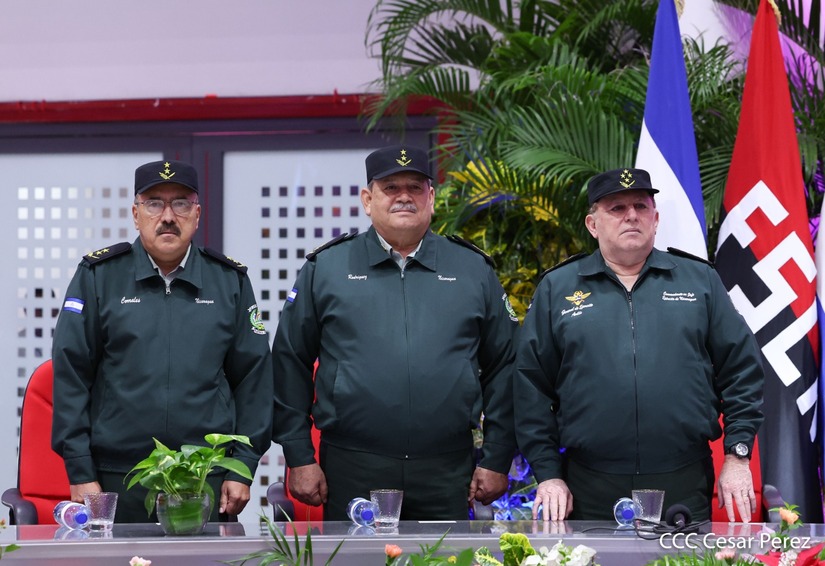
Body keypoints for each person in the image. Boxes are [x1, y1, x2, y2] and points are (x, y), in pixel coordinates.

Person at [272, 145, 518, 521]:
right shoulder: (327, 268)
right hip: (353, 465)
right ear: (368, 200)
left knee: (445, 555)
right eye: (390, 187)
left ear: (430, 198)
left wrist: (497, 456)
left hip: (446, 468)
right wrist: (299, 455)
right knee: (358, 555)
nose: (404, 196)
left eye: (415, 187)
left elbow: (506, 365)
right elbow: (290, 361)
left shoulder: (472, 269)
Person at [514, 167, 764, 523]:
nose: (631, 215)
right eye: (617, 208)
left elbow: (742, 370)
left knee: (685, 557)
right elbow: (531, 386)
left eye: (641, 206)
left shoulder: (699, 281)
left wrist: (738, 457)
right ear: (592, 224)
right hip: (589, 483)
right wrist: (548, 473)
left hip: (682, 477)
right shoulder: (558, 288)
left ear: (655, 219)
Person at [51, 159, 274, 523]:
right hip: (116, 477)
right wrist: (79, 469)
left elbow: (254, 379)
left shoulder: (228, 281)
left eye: (180, 204)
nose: (168, 216)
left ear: (197, 214)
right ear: (135, 214)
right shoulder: (98, 276)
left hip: (206, 476)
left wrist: (243, 466)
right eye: (154, 203)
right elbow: (71, 374)